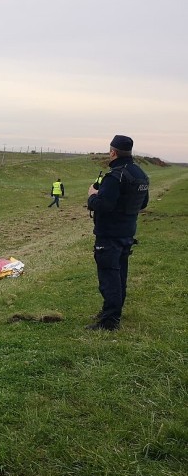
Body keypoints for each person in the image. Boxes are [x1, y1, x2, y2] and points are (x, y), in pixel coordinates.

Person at [86, 135, 149, 331]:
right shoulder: (140, 174)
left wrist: (92, 196)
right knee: (119, 274)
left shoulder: (114, 177)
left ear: (113, 152)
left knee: (109, 277)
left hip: (109, 235)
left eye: (109, 151)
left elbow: (103, 205)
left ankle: (110, 321)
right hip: (127, 233)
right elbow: (143, 203)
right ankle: (112, 311)